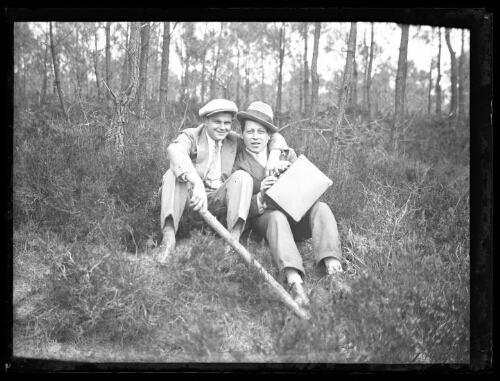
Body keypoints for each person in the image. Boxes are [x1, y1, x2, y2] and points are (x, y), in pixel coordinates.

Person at [233, 101, 343, 307]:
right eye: (250, 132)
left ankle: (334, 272)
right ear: (242, 134)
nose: (255, 137)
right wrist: (261, 194)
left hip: (295, 216)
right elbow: (236, 205)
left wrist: (289, 173)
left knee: (322, 208)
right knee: (277, 217)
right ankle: (295, 283)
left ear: (269, 136)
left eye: (261, 132)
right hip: (265, 221)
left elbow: (305, 191)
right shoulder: (237, 162)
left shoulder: (285, 153)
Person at [156, 99, 289, 264]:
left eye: (227, 123)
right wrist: (196, 182)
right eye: (217, 122)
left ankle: (233, 242)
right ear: (206, 122)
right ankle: (168, 238)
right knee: (172, 174)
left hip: (219, 198)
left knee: (242, 176)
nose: (222, 127)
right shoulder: (191, 135)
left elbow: (270, 134)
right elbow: (175, 151)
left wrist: (275, 155)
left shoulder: (233, 140)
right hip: (191, 196)